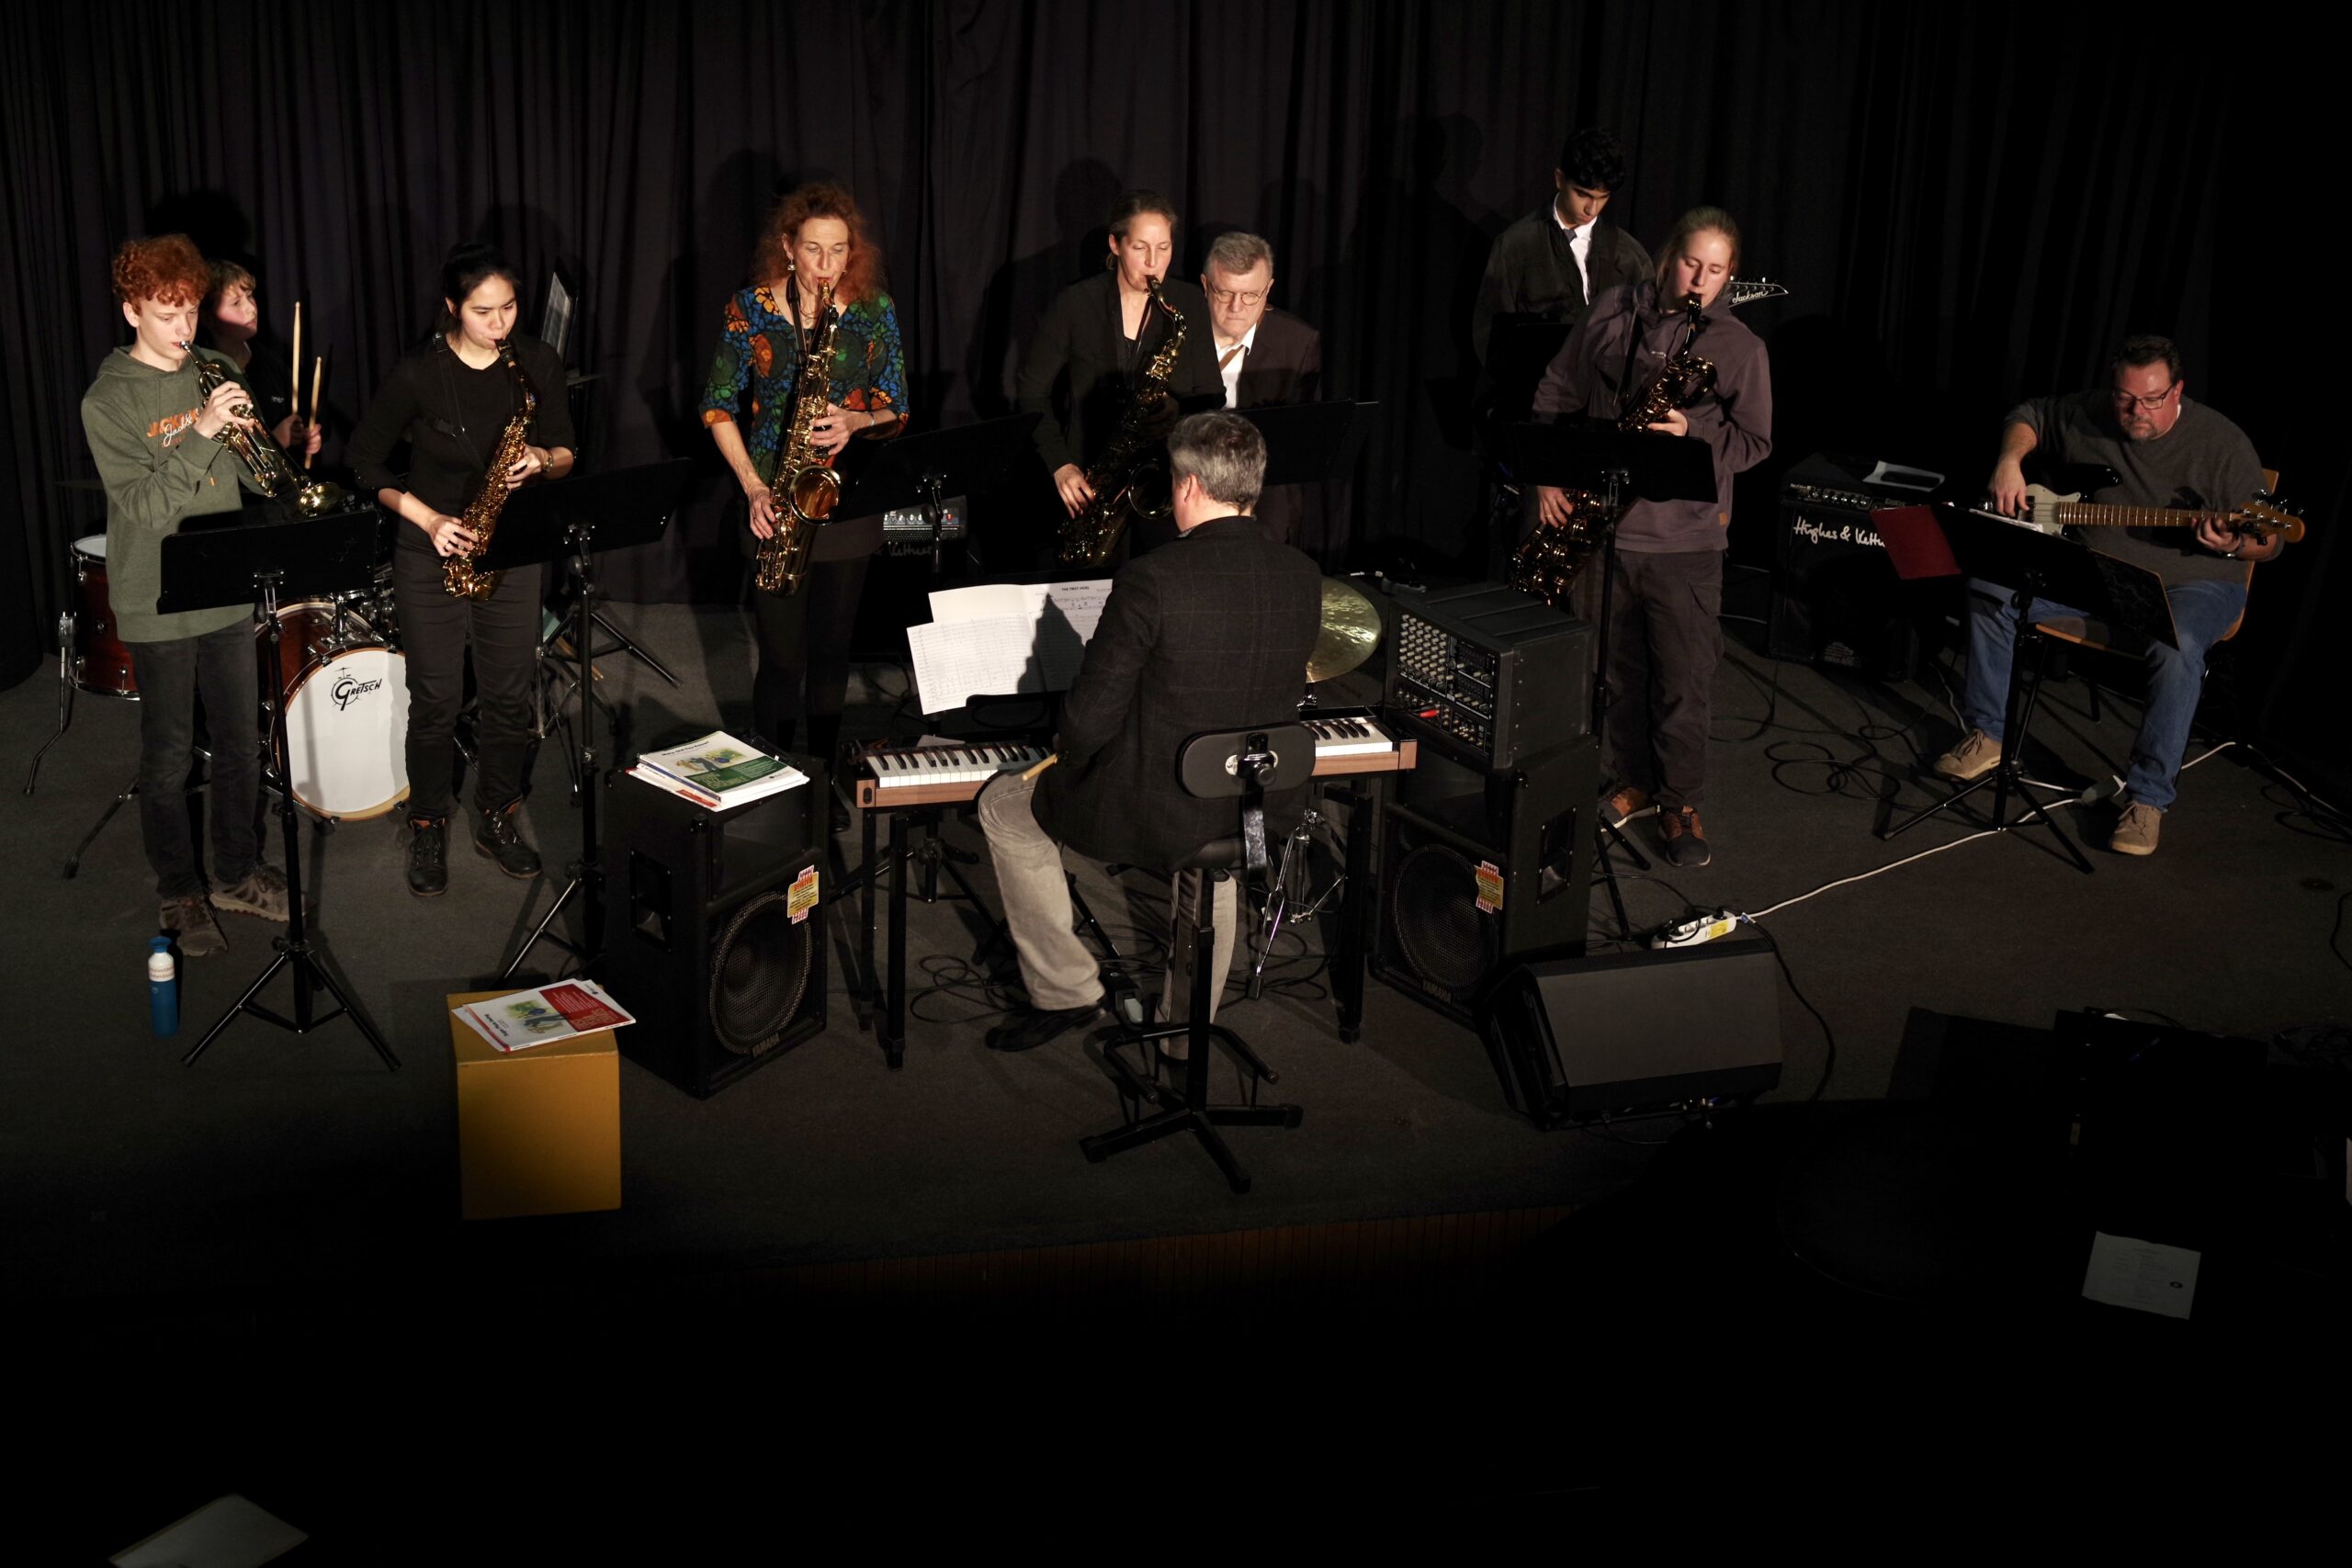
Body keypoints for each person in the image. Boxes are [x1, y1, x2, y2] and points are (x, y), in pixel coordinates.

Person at [976, 412, 1321, 1055]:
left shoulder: (1152, 578)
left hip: (1158, 804)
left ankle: (1066, 990)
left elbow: (1086, 722)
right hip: (1255, 802)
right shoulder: (1302, 574)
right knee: (1212, 869)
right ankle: (1184, 1040)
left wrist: (1069, 756)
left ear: (1187, 486)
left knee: (1003, 806)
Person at [1932, 335, 2274, 856]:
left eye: (2152, 399)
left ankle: (2148, 799)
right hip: (2095, 577)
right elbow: (2028, 414)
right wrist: (2010, 460)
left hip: (2192, 585)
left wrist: (2232, 542)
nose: (2136, 412)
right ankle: (1990, 736)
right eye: (2125, 398)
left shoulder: (2221, 442)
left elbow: (2269, 542)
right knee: (1991, 589)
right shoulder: (2091, 411)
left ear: (2177, 390)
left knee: (2179, 644)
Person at [1532, 206, 1773, 868]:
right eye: (1692, 263)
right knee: (1613, 675)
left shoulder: (1739, 347)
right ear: (1669, 257)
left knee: (1682, 685)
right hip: (1603, 531)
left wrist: (1695, 431)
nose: (1700, 280)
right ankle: (1633, 780)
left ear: (1730, 275)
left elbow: (1755, 443)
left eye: (1716, 270)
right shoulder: (1614, 308)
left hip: (1685, 545)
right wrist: (1547, 475)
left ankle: (1680, 801)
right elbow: (1558, 387)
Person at [80, 234, 288, 956]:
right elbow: (143, 506)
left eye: (192, 311)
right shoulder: (108, 399)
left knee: (239, 743)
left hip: (224, 584)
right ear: (132, 310)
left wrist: (266, 444)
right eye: (167, 314)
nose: (184, 328)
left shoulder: (214, 368)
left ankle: (234, 871)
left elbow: (257, 476)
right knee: (169, 756)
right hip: (158, 595)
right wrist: (201, 430)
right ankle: (179, 889)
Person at [349, 243, 576, 897]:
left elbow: (567, 450)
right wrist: (428, 520)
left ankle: (497, 811)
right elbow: (365, 462)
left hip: (510, 546)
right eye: (483, 312)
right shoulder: (418, 373)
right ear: (452, 307)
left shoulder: (536, 362)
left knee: (508, 695)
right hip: (431, 546)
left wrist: (542, 459)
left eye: (509, 308)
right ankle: (427, 818)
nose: (500, 324)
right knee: (437, 698)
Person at [700, 182, 907, 774]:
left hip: (847, 500)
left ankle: (820, 776)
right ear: (788, 247)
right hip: (774, 501)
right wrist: (753, 487)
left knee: (832, 653)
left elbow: (898, 407)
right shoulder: (750, 308)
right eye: (814, 249)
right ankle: (774, 776)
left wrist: (857, 420)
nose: (827, 264)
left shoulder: (874, 309)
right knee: (783, 659)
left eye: (839, 251)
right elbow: (717, 405)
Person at [1016, 189, 1223, 556]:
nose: (1153, 262)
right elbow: (1031, 391)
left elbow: (1212, 395)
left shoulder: (1188, 303)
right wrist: (1060, 465)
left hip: (1163, 483)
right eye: (1140, 247)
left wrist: (1177, 410)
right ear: (1116, 244)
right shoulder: (1075, 303)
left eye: (1163, 248)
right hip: (1088, 484)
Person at [1472, 128, 1651, 364]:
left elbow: (1651, 332)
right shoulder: (1515, 246)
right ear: (1559, 179)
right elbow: (1490, 336)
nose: (1592, 209)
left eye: (1603, 197)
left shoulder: (1630, 255)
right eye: (1583, 194)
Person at [1199, 231, 1323, 549]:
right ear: (1205, 285)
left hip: (1261, 484)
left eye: (1251, 295)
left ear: (1268, 289)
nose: (1236, 307)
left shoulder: (1297, 342)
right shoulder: (1175, 330)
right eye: (1225, 293)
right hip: (1188, 476)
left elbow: (1299, 443)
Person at [198, 258, 323, 466]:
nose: (251, 308)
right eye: (236, 303)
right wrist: (276, 440)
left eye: (250, 296)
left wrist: (305, 438)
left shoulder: (270, 361)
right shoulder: (203, 373)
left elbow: (298, 423)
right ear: (208, 318)